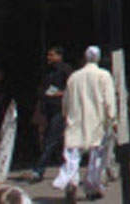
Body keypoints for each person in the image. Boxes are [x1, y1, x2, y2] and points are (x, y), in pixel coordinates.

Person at [52, 46, 115, 202]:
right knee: (96, 157)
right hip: (96, 121)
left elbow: (65, 100)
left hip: (76, 121)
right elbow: (109, 100)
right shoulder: (103, 75)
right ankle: (93, 187)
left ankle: (70, 182)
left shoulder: (74, 77)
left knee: (72, 155)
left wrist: (66, 115)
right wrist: (113, 119)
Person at [29, 46, 71, 184]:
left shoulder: (65, 70)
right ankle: (68, 168)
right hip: (48, 109)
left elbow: (71, 89)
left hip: (60, 109)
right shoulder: (47, 72)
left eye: (52, 55)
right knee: (54, 141)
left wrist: (61, 93)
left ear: (59, 56)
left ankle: (38, 170)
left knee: (50, 140)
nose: (49, 58)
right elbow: (41, 88)